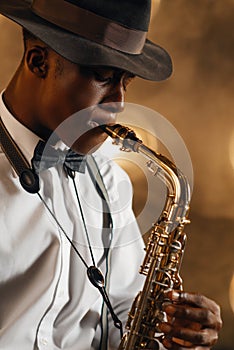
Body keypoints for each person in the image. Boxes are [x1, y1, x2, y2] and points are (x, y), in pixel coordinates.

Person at [0, 1, 222, 350]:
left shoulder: (110, 179)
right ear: (39, 62)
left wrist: (169, 334)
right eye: (104, 77)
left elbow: (120, 309)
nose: (118, 103)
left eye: (126, 82)